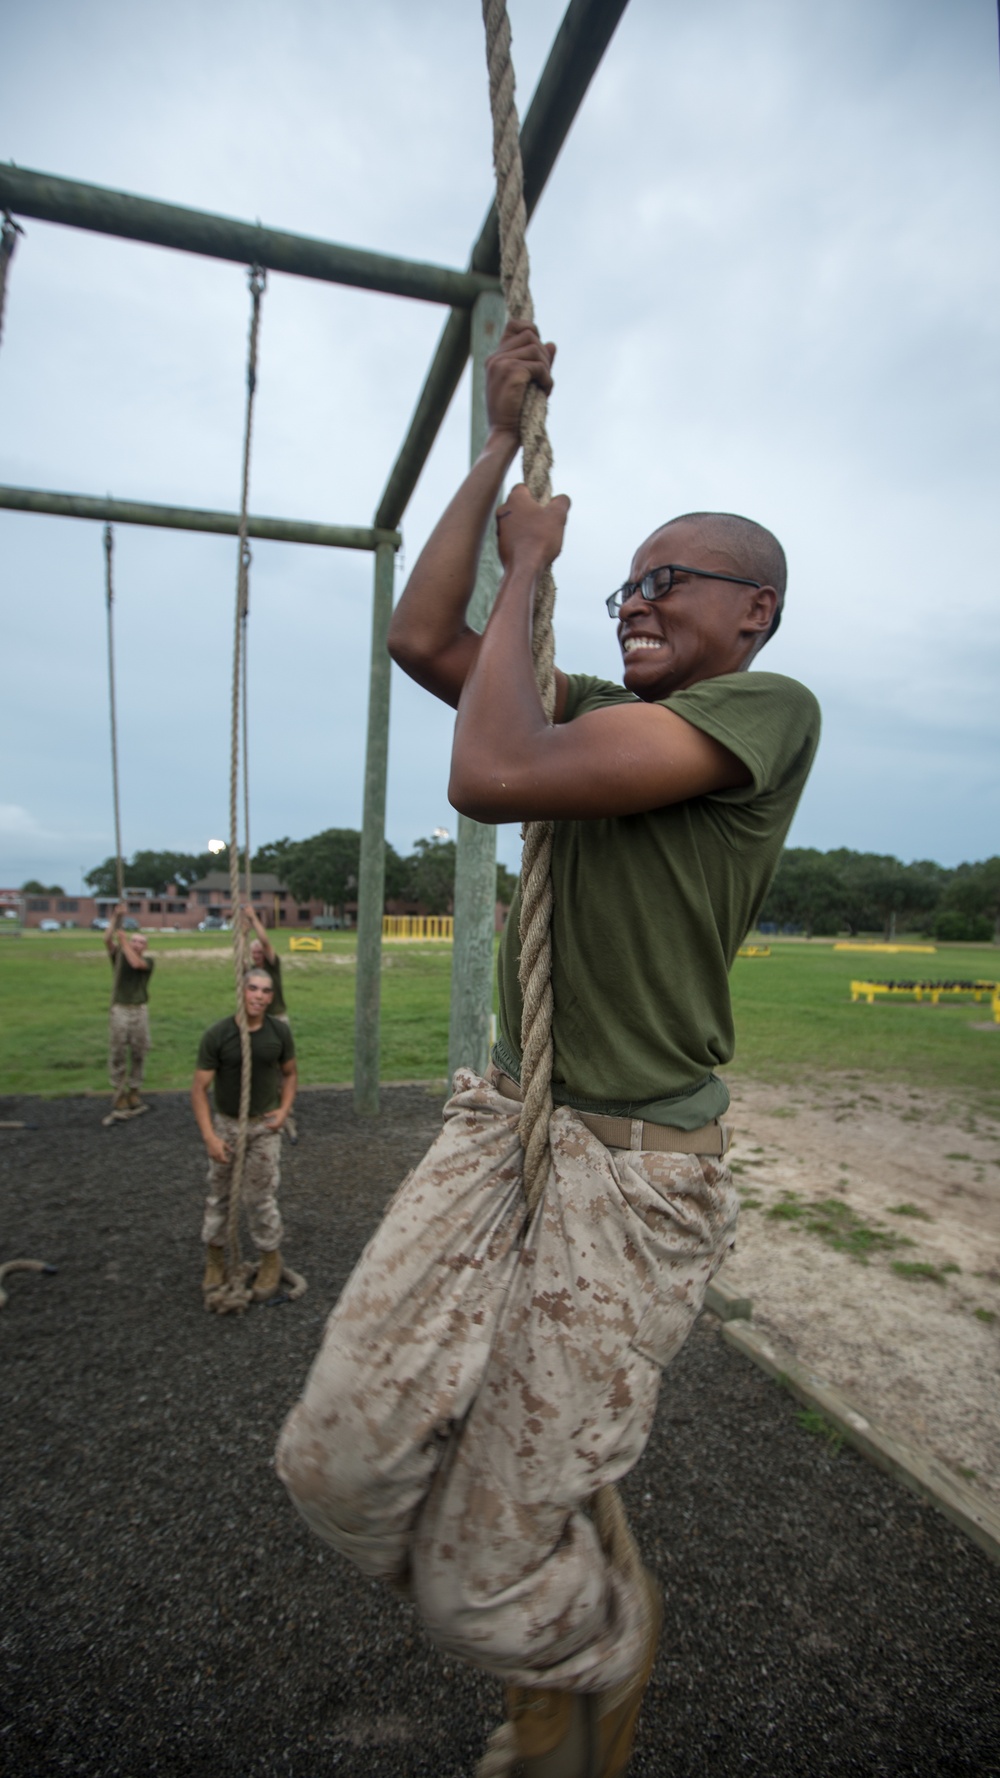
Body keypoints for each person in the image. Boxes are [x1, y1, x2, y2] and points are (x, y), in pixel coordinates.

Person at [277, 322, 821, 1775]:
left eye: (668, 580)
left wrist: (538, 570)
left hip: (634, 1170)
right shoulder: (589, 708)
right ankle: (533, 1555)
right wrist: (500, 447)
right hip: (514, 1127)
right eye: (625, 577)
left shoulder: (758, 715)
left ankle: (586, 1651)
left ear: (753, 612)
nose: (636, 598)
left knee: (480, 1583)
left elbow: (494, 770)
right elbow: (419, 640)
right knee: (329, 1463)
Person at [192, 967, 298, 1301]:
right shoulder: (218, 1035)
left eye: (266, 991)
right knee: (220, 1194)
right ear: (242, 991)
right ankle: (215, 1257)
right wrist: (209, 1136)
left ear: (271, 997)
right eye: (253, 988)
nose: (259, 996)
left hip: (263, 1127)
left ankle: (269, 1258)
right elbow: (199, 1089)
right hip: (227, 1125)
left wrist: (283, 1111)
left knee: (260, 1197)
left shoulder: (278, 1033)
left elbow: (291, 1073)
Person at [242, 903, 298, 1143]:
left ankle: (287, 1115)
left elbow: (265, 943)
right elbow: (240, 955)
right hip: (257, 1022)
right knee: (259, 1067)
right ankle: (261, 1110)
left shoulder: (273, 966)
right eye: (254, 954)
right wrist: (243, 934)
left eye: (259, 954)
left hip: (277, 1020)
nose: (257, 957)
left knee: (282, 1068)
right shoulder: (252, 973)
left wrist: (254, 919)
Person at [103, 902, 154, 1122]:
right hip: (120, 1009)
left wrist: (123, 941)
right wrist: (116, 917)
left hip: (139, 1010)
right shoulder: (119, 957)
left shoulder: (147, 962)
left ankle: (134, 1089)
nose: (136, 944)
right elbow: (106, 940)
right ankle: (120, 1092)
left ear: (145, 947)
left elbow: (136, 964)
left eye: (141, 942)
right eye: (134, 940)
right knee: (117, 1051)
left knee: (139, 1051)